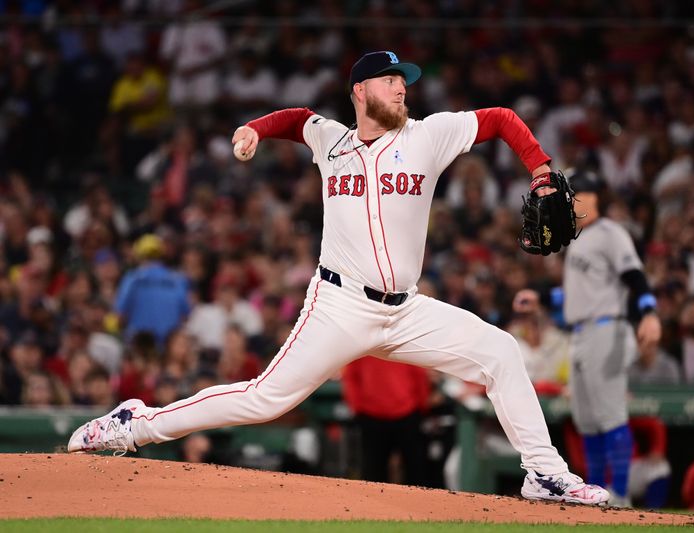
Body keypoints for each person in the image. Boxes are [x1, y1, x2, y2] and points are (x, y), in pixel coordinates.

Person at [67, 51, 608, 505]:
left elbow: (502, 118)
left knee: (501, 352)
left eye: (404, 82)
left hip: (406, 311)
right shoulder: (333, 142)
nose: (401, 90)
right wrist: (254, 128)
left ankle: (543, 472)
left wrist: (539, 169)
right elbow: (297, 118)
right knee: (264, 400)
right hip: (338, 307)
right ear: (360, 90)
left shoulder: (428, 136)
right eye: (391, 81)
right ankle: (135, 424)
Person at [516, 170, 661, 507]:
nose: (572, 198)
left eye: (579, 192)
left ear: (594, 197)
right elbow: (577, 295)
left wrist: (650, 313)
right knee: (588, 421)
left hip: (607, 329)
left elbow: (634, 276)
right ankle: (599, 495)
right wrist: (541, 299)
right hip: (581, 334)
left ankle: (621, 495)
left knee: (611, 416)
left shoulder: (611, 232)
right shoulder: (579, 238)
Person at [342, 356, 430, 486]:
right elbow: (351, 376)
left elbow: (419, 375)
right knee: (375, 471)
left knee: (413, 469)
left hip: (403, 413)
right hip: (375, 414)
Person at [114, 234, 191, 347]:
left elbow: (120, 315)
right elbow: (185, 316)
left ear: (139, 255)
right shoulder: (177, 279)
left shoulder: (132, 279)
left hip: (140, 346)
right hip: (168, 346)